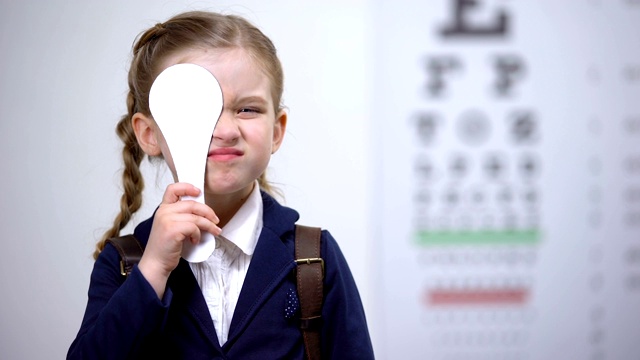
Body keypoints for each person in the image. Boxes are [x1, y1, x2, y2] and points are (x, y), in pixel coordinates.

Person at [67, 10, 374, 359]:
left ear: (277, 130)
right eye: (198, 111)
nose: (226, 131)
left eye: (247, 110)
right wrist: (152, 270)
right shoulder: (125, 263)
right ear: (149, 135)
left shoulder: (314, 259)